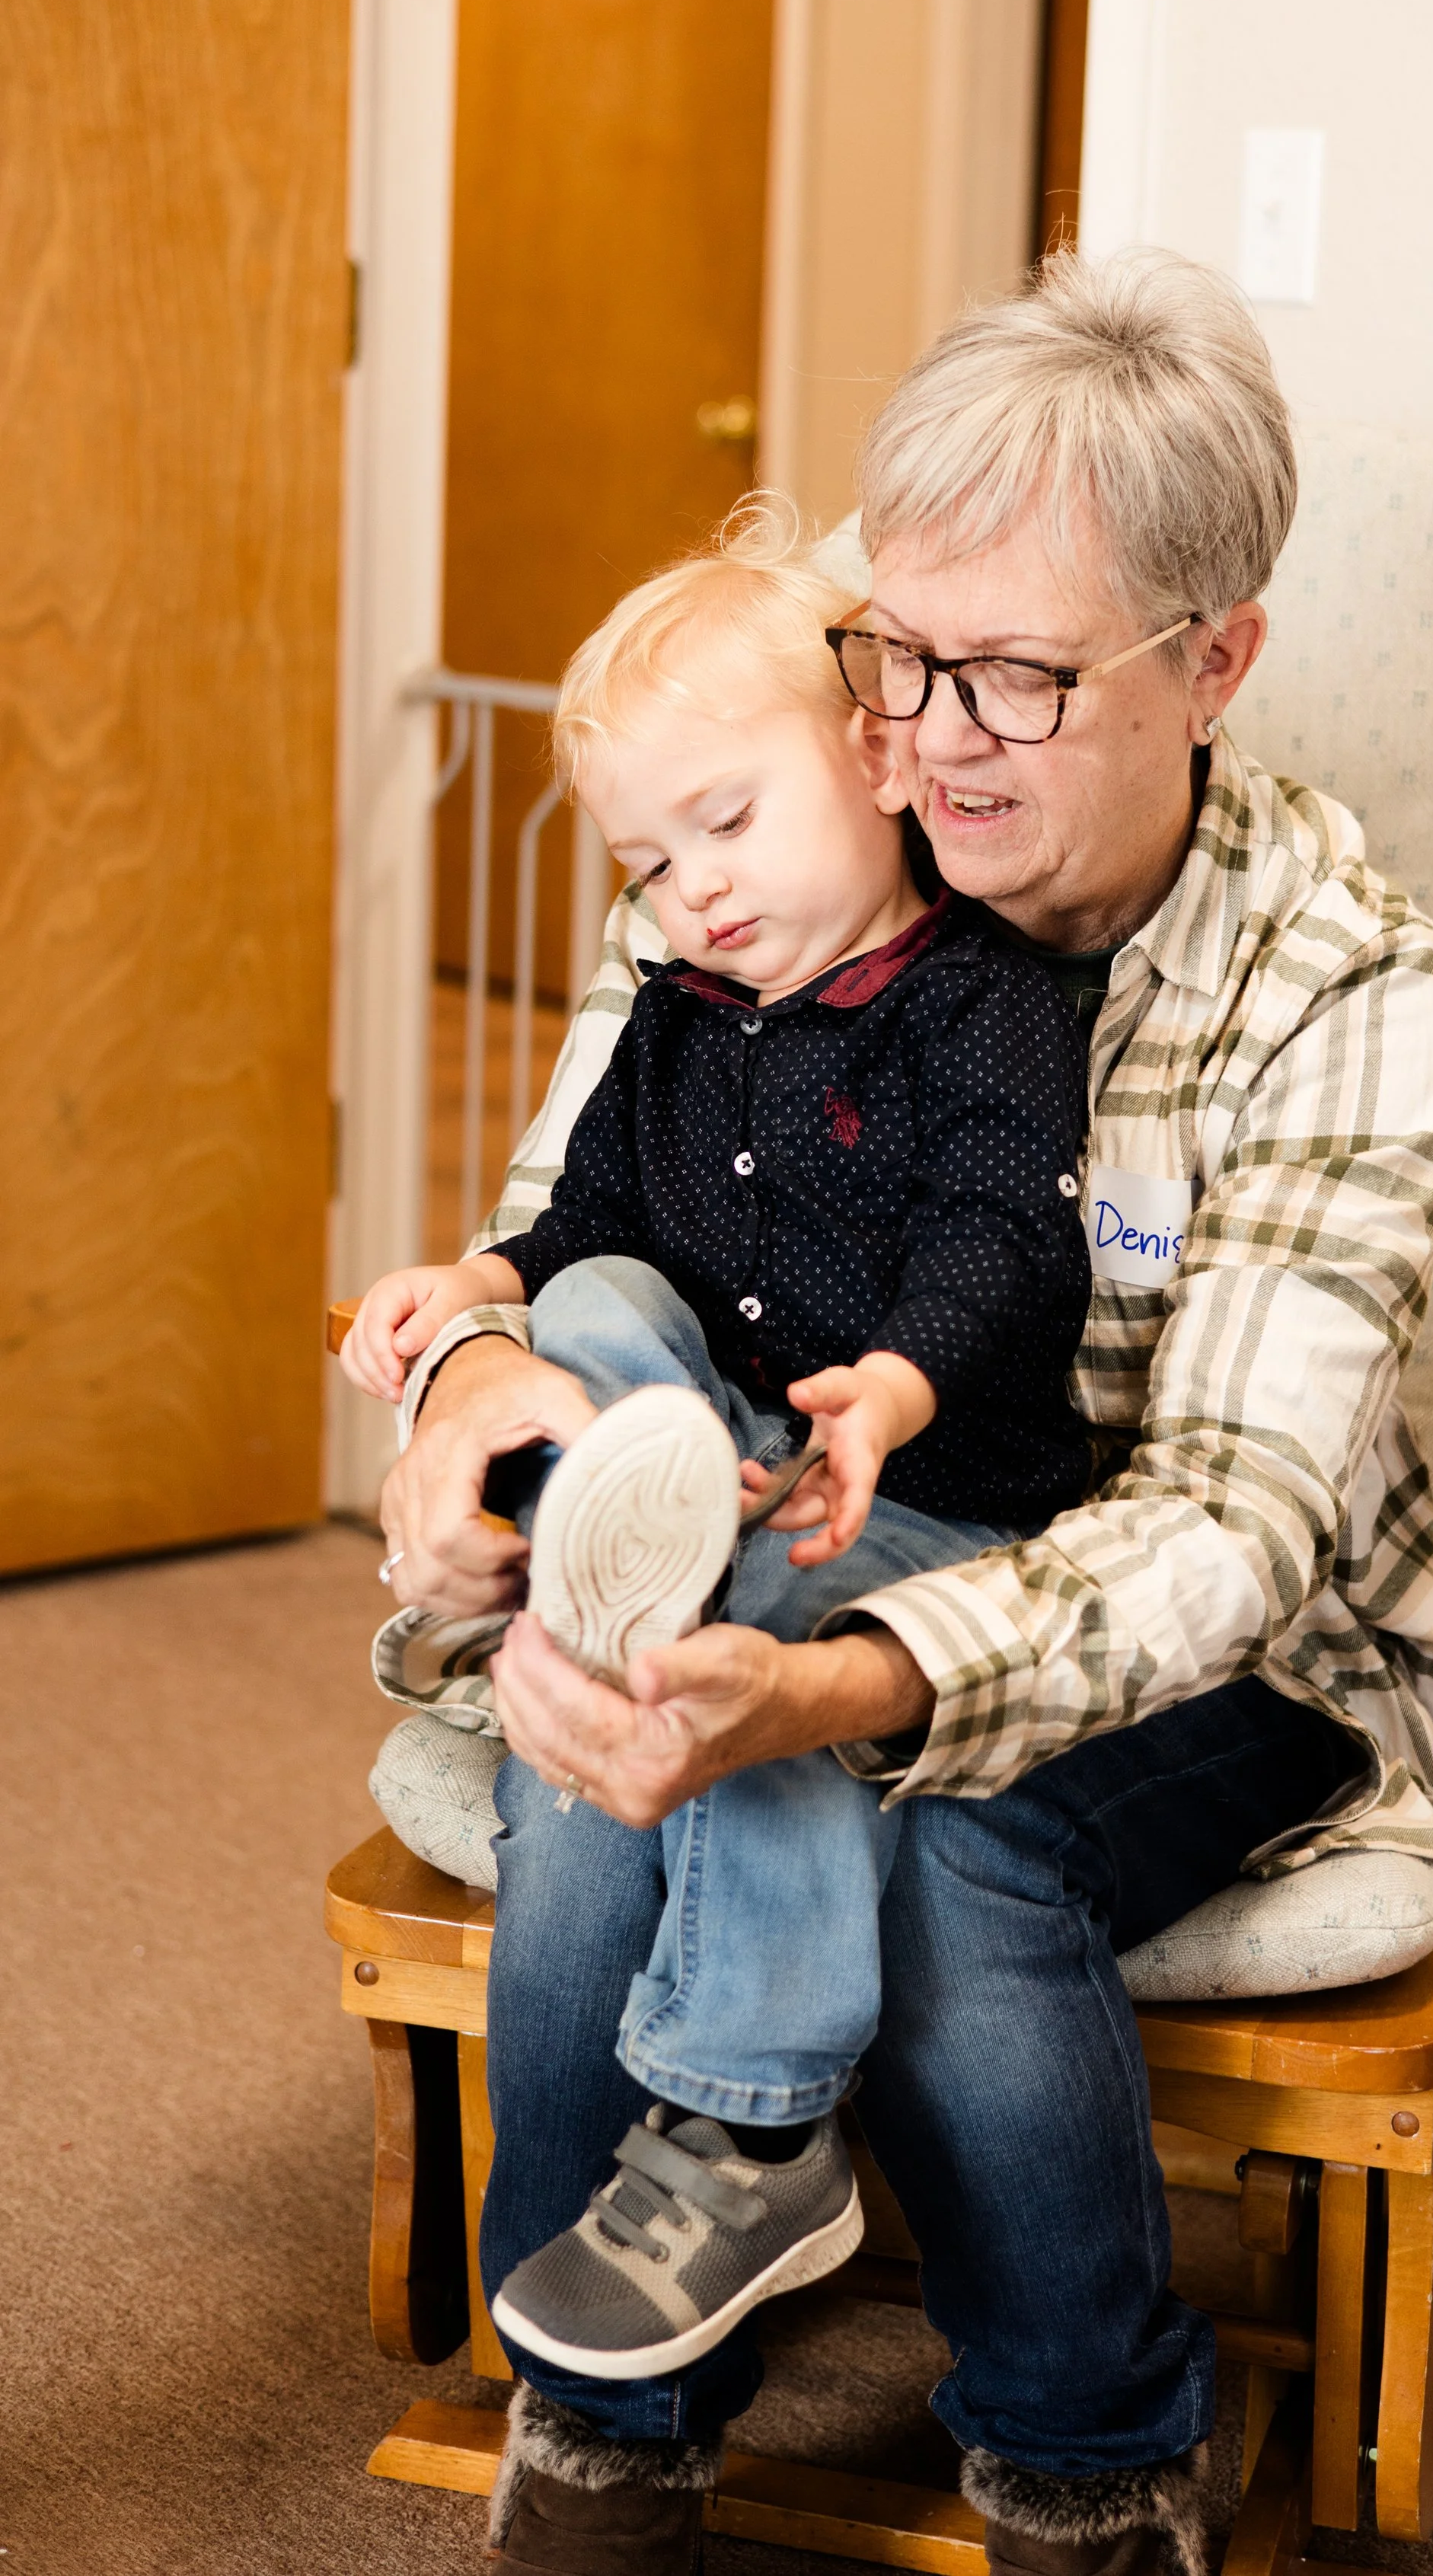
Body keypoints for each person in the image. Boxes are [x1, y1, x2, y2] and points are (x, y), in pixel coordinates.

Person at [378, 249, 1433, 2576]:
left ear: (1214, 661)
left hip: (1219, 1643)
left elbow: (1239, 1524)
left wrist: (828, 1684)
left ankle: (1089, 2465)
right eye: (897, 648)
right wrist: (472, 1407)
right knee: (605, 1760)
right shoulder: (778, 832)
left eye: (1017, 676)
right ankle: (611, 2409)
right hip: (809, 1527)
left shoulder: (1340, 982)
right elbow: (569, 1226)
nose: (925, 736)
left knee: (952, 1846)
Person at [344, 517, 1094, 2374]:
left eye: (727, 824)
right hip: (732, 1458)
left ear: (869, 757)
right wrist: (467, 1284)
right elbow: (587, 1208)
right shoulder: (677, 1017)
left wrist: (898, 1387)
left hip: (927, 1505)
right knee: (591, 1284)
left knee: (701, 1673)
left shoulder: (988, 999)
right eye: (650, 859)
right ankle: (606, 1516)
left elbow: (1006, 1238)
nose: (691, 891)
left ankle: (753, 2114)